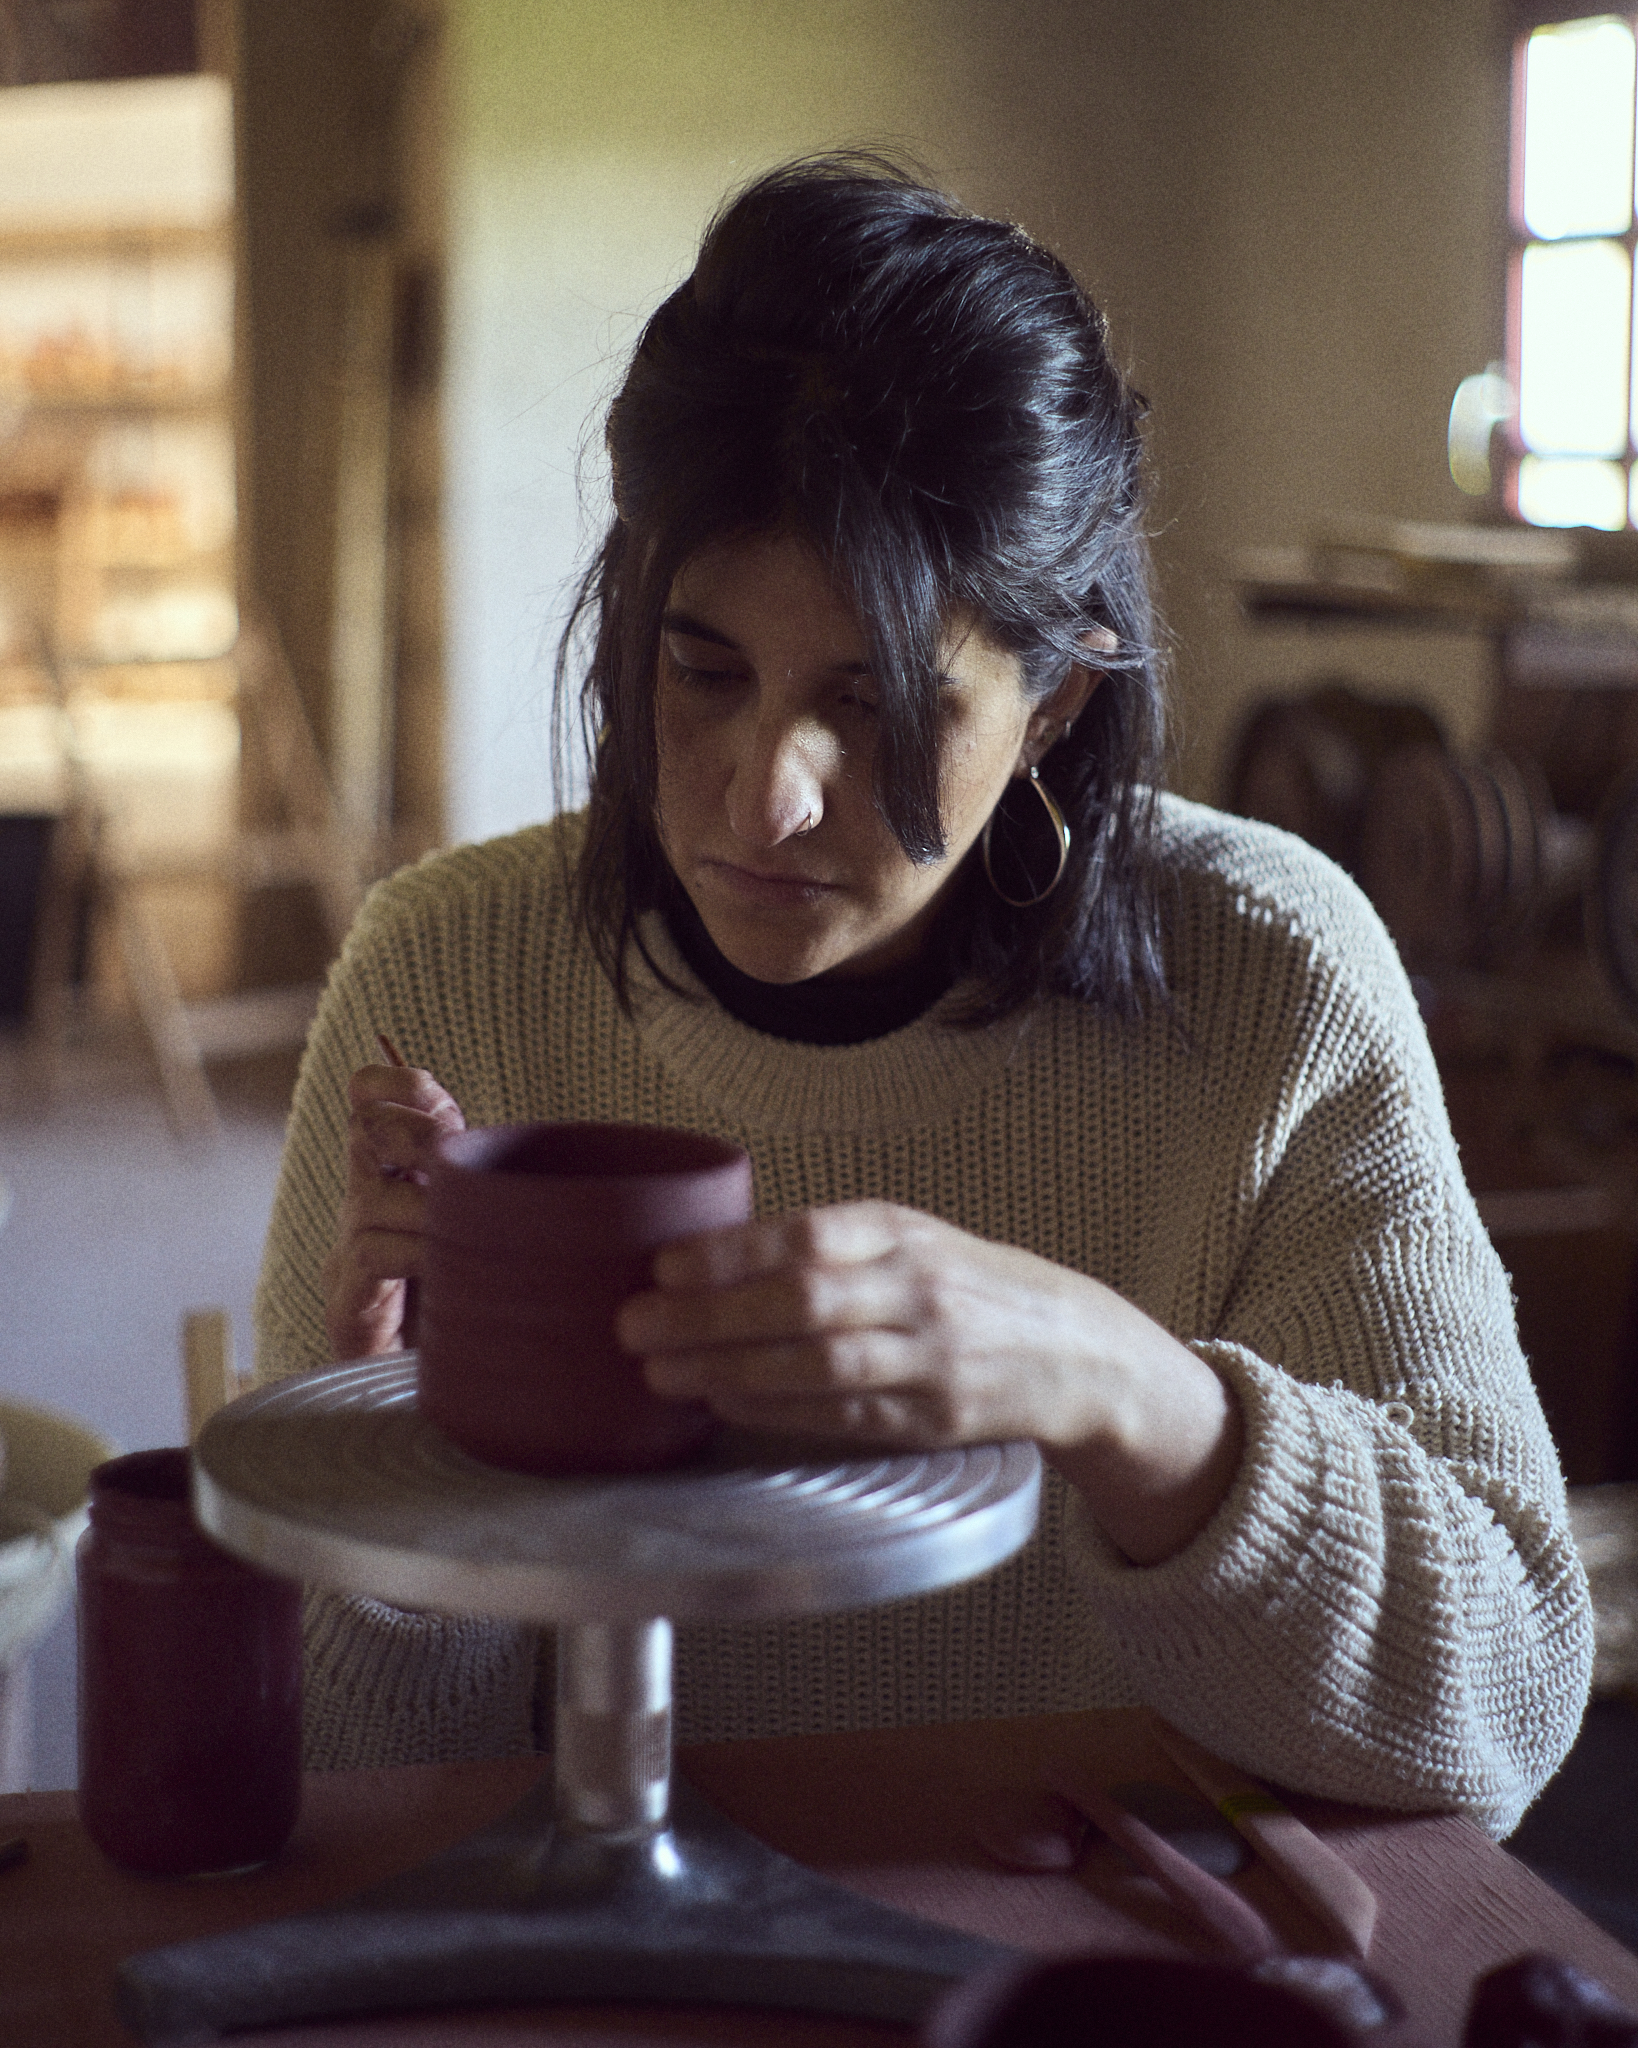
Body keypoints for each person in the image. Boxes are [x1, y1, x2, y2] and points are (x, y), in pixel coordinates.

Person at [254, 154, 1592, 1835]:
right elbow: (332, 1798)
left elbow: (1505, 1710)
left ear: (1050, 705)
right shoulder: (448, 973)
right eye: (701, 669)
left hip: (1087, 1969)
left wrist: (1131, 1397)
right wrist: (418, 1474)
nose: (763, 800)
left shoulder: (1269, 983)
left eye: (881, 699)